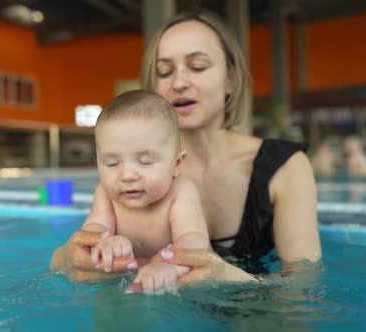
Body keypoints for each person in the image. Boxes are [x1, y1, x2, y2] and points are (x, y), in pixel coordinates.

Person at [50, 11, 321, 289]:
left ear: (230, 78)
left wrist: (225, 276)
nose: (178, 82)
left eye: (198, 66)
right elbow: (70, 256)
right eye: (164, 71)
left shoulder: (285, 167)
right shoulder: (126, 178)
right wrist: (67, 259)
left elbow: (303, 287)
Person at [82, 89, 210, 294]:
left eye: (145, 161)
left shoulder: (181, 192)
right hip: (123, 284)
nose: (127, 175)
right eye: (112, 163)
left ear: (176, 164)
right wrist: (104, 243)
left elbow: (193, 238)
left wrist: (170, 266)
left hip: (174, 283)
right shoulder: (106, 194)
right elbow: (93, 228)